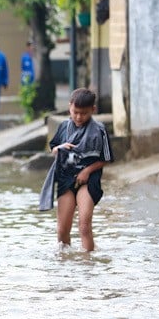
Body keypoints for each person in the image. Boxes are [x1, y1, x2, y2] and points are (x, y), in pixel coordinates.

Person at [39, 88, 114, 251]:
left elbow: (106, 159)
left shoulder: (99, 130)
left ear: (93, 110)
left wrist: (87, 171)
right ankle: (67, 269)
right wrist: (59, 148)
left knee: (84, 226)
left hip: (88, 182)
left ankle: (88, 266)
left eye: (84, 113)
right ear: (69, 107)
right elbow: (53, 150)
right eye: (75, 112)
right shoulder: (64, 127)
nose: (79, 117)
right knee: (62, 230)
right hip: (66, 180)